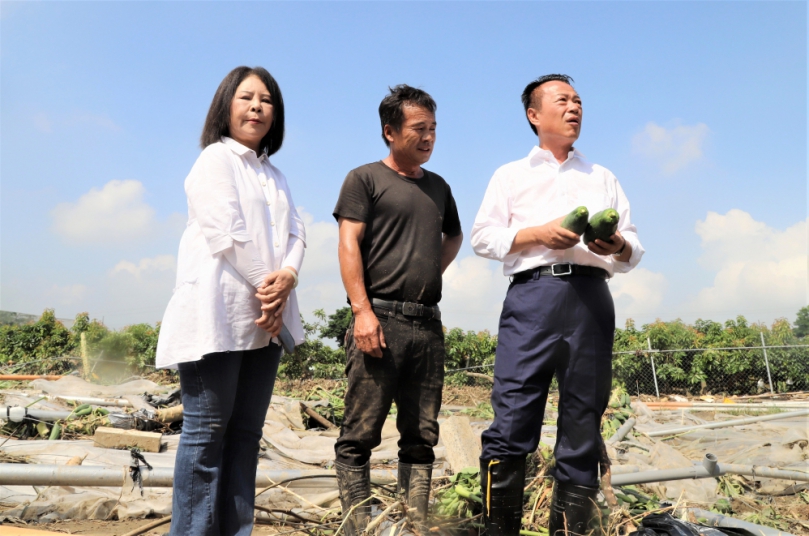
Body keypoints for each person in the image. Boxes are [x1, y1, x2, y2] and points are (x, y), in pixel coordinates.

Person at [470, 74, 644, 536]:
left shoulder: (602, 177)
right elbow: (483, 238)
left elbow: (635, 249)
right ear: (534, 114)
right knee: (511, 417)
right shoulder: (510, 175)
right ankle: (497, 530)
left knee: (583, 421)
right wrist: (537, 234)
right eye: (563, 100)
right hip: (533, 297)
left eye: (579, 101)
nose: (574, 108)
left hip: (591, 299)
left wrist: (617, 245)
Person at [155, 66, 306, 536]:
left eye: (267, 99)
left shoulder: (275, 175)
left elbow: (298, 232)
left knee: (244, 438)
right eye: (246, 97)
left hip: (263, 323)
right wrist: (271, 287)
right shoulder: (214, 162)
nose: (257, 106)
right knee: (204, 438)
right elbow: (227, 234)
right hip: (217, 317)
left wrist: (289, 277)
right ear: (226, 107)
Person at [332, 85, 463, 533]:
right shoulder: (364, 179)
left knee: (422, 437)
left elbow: (453, 237)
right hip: (380, 321)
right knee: (360, 434)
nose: (428, 138)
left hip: (427, 325)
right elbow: (348, 242)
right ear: (390, 131)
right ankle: (358, 527)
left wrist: (429, 272)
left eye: (433, 129)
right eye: (418, 129)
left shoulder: (439, 187)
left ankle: (413, 526)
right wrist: (362, 311)